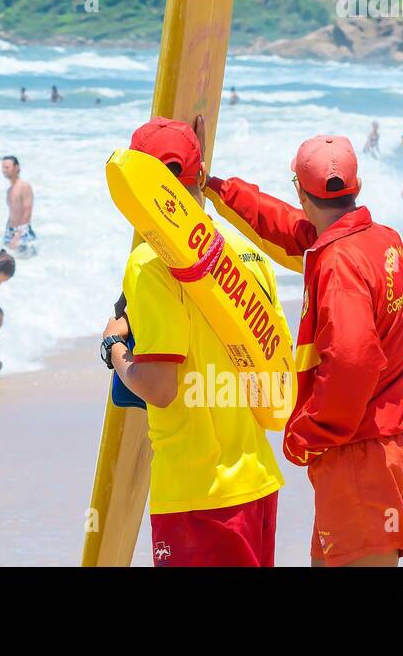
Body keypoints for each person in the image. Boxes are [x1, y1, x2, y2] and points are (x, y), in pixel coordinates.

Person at [205, 135, 403, 567]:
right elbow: (287, 227)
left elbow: (353, 361)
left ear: (301, 191)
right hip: (386, 445)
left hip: (357, 454)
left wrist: (308, 434)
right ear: (355, 186)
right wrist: (218, 189)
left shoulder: (339, 262)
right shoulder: (380, 239)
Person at [99, 117, 286, 567]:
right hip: (257, 482)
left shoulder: (149, 264)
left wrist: (116, 351)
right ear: (200, 176)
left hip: (195, 495)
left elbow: (161, 387)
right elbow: (273, 369)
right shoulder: (246, 254)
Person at [1, 155, 36, 254]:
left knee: (27, 262)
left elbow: (27, 211)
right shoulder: (9, 190)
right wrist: (8, 232)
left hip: (22, 233)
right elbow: (12, 213)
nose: (4, 170)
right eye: (3, 167)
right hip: (10, 232)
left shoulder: (24, 187)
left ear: (17, 168)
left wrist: (18, 235)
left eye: (7, 167)